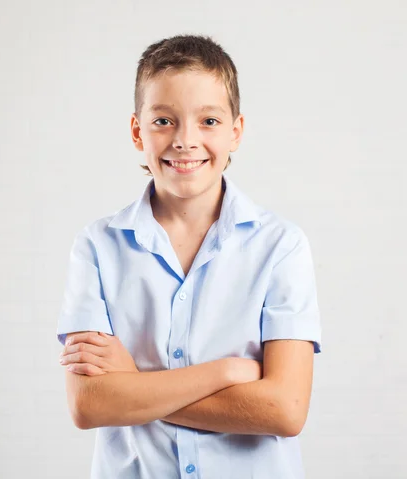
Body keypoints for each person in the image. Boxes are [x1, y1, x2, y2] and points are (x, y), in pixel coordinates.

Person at [56, 34, 322, 479]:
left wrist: (136, 388)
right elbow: (90, 404)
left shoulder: (281, 247)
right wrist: (228, 372)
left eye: (209, 121)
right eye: (164, 120)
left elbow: (285, 410)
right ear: (137, 130)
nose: (185, 140)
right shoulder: (97, 247)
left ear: (236, 131)